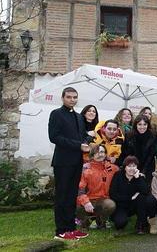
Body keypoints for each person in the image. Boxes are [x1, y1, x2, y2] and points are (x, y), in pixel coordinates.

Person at [48, 87, 91, 240]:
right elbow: (54, 137)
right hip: (62, 162)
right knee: (62, 196)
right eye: (69, 97)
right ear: (63, 98)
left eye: (75, 97)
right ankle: (60, 230)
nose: (72, 100)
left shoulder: (79, 117)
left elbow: (83, 135)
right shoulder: (56, 114)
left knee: (72, 195)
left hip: (77, 161)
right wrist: (77, 145)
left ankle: (71, 228)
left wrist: (87, 141)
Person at [76, 145, 119, 233]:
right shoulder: (86, 169)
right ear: (92, 155)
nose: (100, 154)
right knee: (78, 207)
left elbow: (125, 173)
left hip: (102, 201)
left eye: (102, 152)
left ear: (106, 154)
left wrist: (137, 174)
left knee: (110, 205)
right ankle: (85, 221)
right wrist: (86, 202)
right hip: (88, 200)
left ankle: (100, 220)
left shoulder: (112, 168)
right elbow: (80, 189)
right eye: (97, 152)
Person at [109, 155, 154, 234]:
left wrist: (138, 178)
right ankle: (118, 219)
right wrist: (130, 198)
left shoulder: (139, 177)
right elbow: (113, 194)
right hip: (121, 205)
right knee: (120, 223)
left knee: (142, 197)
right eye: (129, 166)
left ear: (137, 167)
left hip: (134, 205)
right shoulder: (118, 175)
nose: (132, 168)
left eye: (134, 166)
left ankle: (140, 225)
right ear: (125, 167)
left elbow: (146, 191)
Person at [118, 115, 156, 184]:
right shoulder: (129, 135)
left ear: (148, 125)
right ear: (136, 125)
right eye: (139, 124)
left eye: (145, 124)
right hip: (131, 166)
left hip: (147, 168)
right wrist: (131, 168)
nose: (142, 127)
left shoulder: (152, 136)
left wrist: (143, 172)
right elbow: (125, 153)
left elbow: (151, 156)